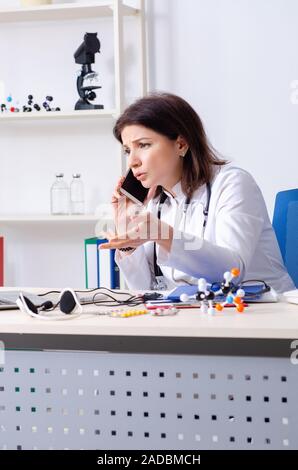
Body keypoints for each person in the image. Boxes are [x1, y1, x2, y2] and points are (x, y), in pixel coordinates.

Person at [100, 92, 295, 293]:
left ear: (181, 144)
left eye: (143, 145)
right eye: (127, 150)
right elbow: (144, 289)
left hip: (265, 312)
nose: (132, 161)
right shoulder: (156, 204)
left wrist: (164, 235)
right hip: (198, 315)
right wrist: (126, 235)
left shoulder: (233, 184)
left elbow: (232, 272)